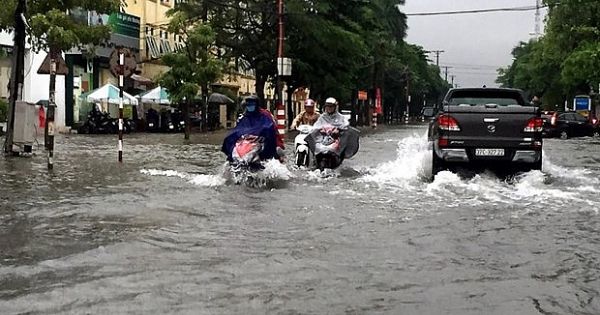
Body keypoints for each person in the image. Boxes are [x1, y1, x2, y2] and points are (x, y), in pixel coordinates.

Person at [223, 95, 284, 162]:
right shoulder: (244, 117)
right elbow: (238, 130)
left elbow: (272, 129)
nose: (250, 106)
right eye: (248, 105)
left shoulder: (265, 114)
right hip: (246, 141)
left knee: (276, 152)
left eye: (252, 104)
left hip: (262, 140)